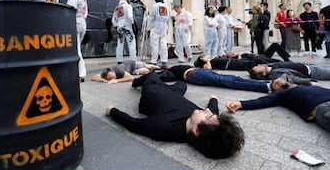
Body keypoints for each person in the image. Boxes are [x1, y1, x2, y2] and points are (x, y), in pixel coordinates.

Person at [107, 72, 245, 159]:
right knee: (182, 84)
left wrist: (112, 111)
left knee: (152, 75)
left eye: (208, 116)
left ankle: (138, 81)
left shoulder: (162, 127)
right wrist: (213, 99)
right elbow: (213, 110)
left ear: (196, 131)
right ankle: (166, 73)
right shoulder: (206, 123)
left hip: (153, 90)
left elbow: (132, 124)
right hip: (175, 92)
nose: (208, 112)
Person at [226, 85, 330, 132]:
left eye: (279, 81)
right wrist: (240, 104)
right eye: (276, 84)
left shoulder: (306, 84)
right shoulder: (281, 94)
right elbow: (263, 101)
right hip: (321, 107)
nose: (279, 82)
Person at [167, 65, 290, 92]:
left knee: (235, 78)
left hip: (199, 72)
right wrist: (152, 67)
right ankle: (266, 86)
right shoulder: (170, 71)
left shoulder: (174, 67)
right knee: (228, 82)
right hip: (194, 75)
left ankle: (267, 83)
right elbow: (162, 76)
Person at [66, 0, 88, 81]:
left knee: (76, 48)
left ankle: (80, 73)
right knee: (77, 47)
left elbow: (69, 10)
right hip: (83, 22)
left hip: (74, 21)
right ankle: (79, 71)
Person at [249, 62, 330, 85]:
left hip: (308, 66)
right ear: (263, 73)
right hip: (312, 72)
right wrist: (309, 82)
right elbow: (292, 78)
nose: (259, 64)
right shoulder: (274, 74)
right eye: (258, 67)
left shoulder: (271, 66)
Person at [146, 0, 170, 68]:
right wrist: (167, 28)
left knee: (154, 44)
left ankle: (154, 61)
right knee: (163, 45)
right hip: (164, 26)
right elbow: (168, 19)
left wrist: (148, 28)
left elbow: (151, 18)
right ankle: (164, 61)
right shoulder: (167, 7)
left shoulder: (155, 6)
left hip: (156, 26)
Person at [112, 0, 136, 64]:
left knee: (120, 44)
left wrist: (117, 25)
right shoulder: (128, 6)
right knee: (131, 43)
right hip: (127, 27)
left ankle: (119, 61)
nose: (129, 0)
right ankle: (133, 60)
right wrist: (132, 23)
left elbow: (113, 20)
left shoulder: (117, 8)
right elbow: (130, 16)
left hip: (119, 27)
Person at [91, 60, 160, 84]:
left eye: (113, 76)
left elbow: (131, 78)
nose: (113, 78)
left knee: (148, 67)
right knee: (146, 71)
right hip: (131, 71)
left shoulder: (119, 70)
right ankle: (150, 69)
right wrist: (102, 80)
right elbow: (93, 77)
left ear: (113, 71)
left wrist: (117, 81)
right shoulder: (105, 73)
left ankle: (160, 67)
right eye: (110, 78)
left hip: (132, 64)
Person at [226, 42, 290, 62]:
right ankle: (286, 63)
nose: (232, 52)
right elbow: (241, 62)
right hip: (259, 60)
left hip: (260, 55)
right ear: (230, 57)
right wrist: (239, 55)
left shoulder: (240, 54)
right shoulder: (237, 58)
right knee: (276, 61)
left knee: (275, 44)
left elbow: (250, 53)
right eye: (230, 54)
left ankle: (286, 58)